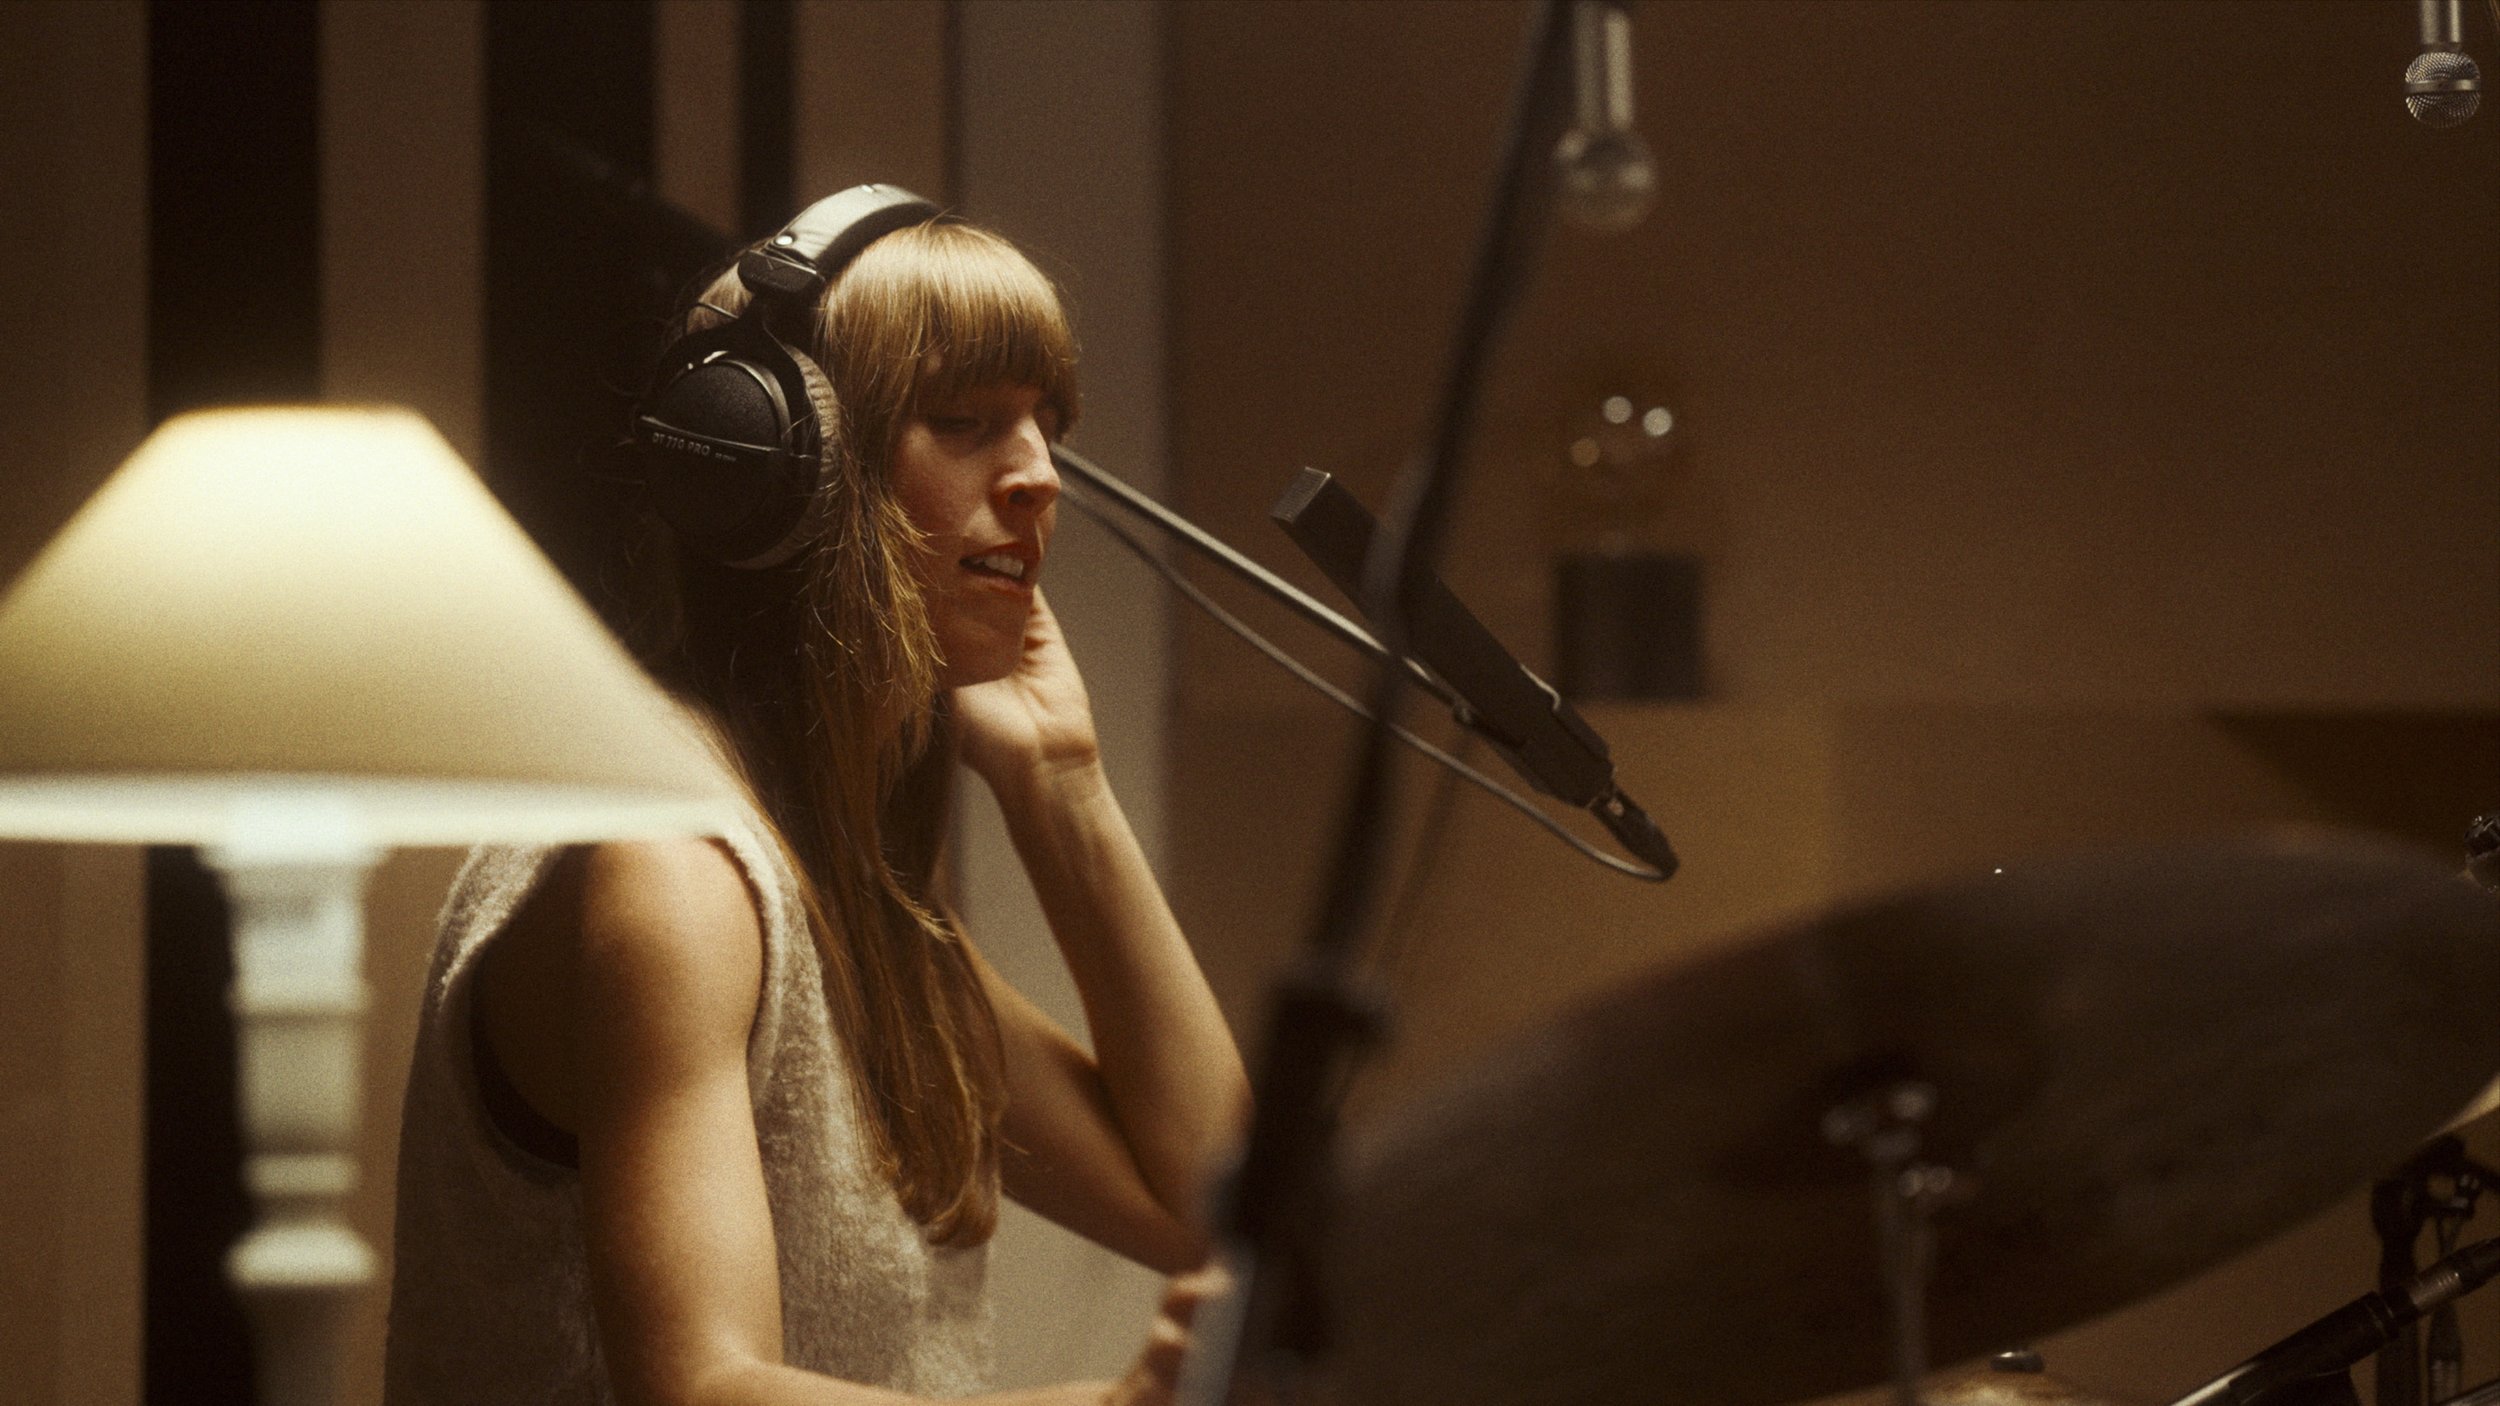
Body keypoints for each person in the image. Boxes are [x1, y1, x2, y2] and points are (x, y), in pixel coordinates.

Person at [384, 205, 1250, 1406]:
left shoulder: (845, 890)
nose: (1039, 476)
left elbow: (1219, 1211)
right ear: (777, 464)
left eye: (1046, 426)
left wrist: (1063, 786)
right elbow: (699, 1385)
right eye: (965, 421)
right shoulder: (675, 868)